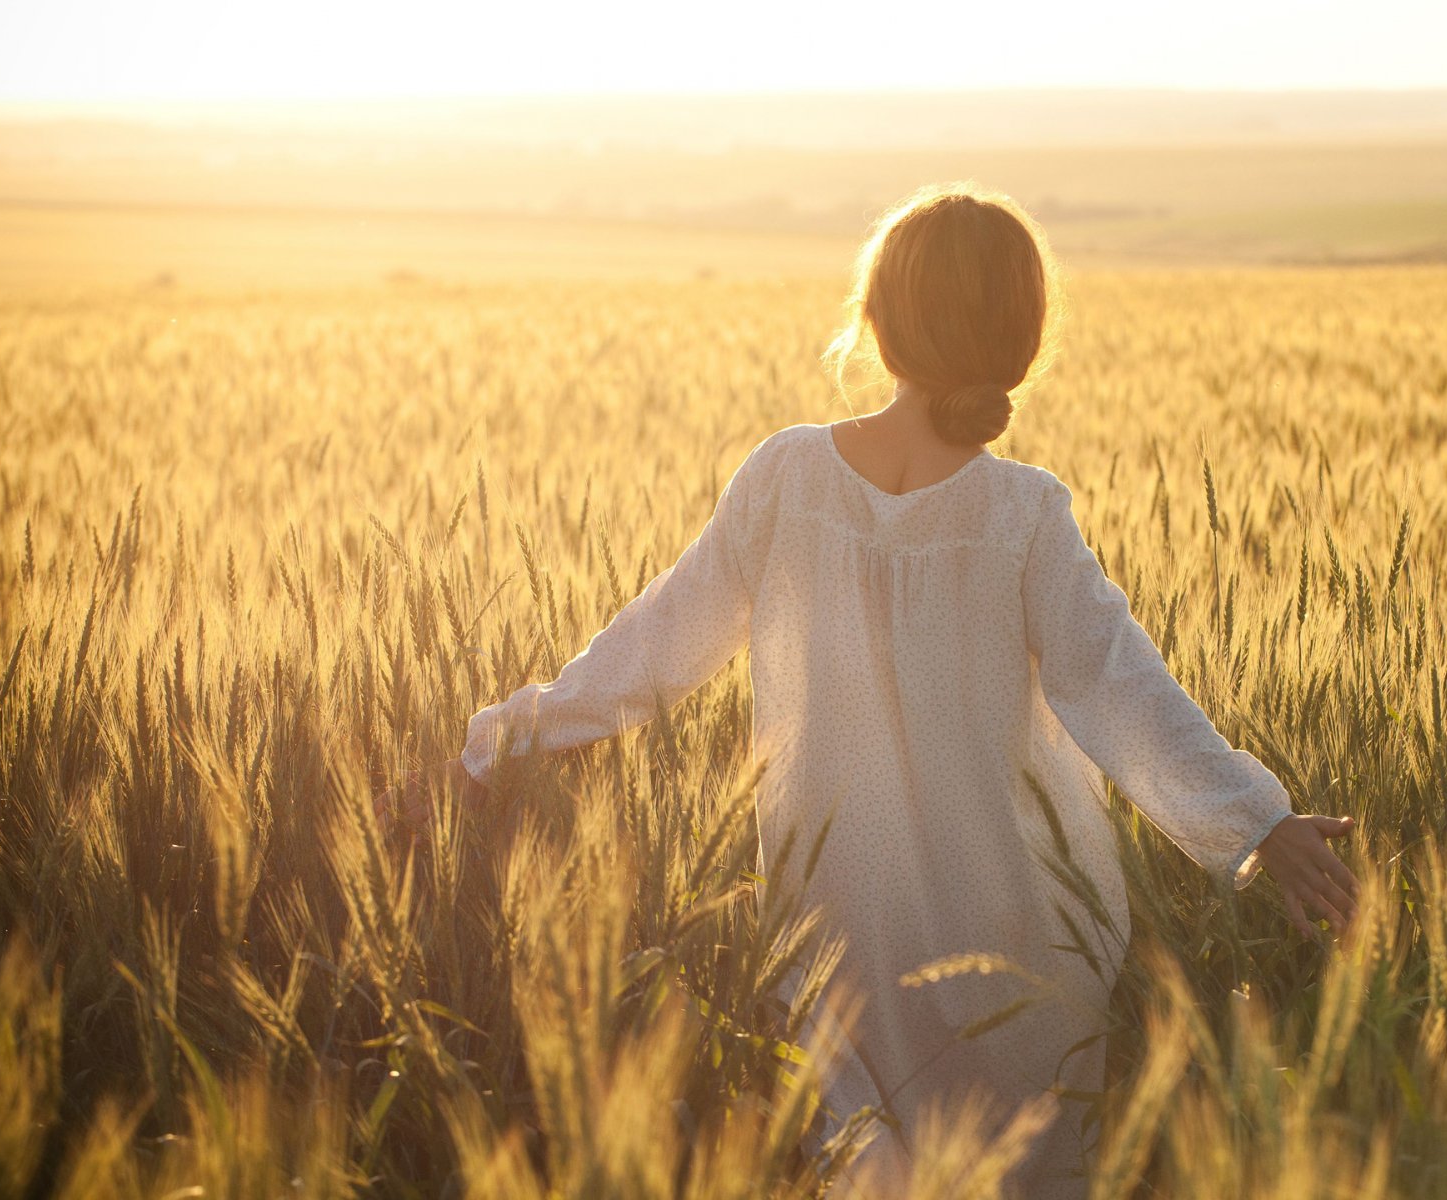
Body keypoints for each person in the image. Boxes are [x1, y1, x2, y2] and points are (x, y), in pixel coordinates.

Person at [395, 183, 1360, 1197]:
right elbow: (1122, 692)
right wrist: (1258, 827)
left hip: (835, 932)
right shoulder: (1023, 514)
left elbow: (652, 649)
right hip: (1019, 941)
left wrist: (497, 742)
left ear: (881, 322)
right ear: (1020, 342)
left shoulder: (788, 480)